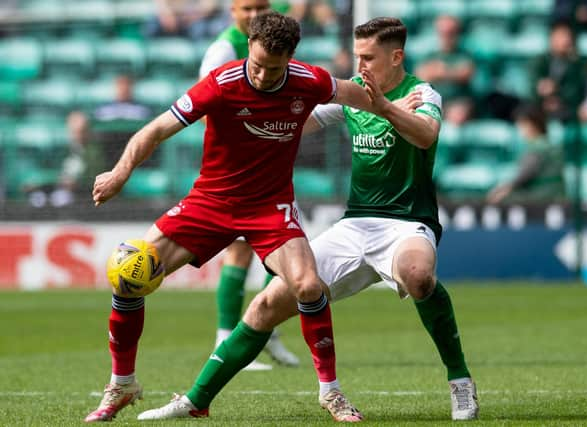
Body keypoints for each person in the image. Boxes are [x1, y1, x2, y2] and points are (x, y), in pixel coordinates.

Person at [138, 17, 479, 422]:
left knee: (418, 274)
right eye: (357, 57)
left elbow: (425, 135)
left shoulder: (423, 93)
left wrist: (385, 108)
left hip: (407, 222)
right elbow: (295, 122)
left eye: (368, 57)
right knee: (267, 304)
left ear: (396, 56)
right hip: (356, 224)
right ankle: (195, 400)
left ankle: (460, 381)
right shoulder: (353, 96)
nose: (361, 65)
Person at [84, 11, 387, 423]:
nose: (262, 76)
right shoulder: (222, 83)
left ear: (291, 59)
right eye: (257, 64)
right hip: (211, 202)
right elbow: (155, 129)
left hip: (270, 207)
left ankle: (330, 393)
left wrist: (394, 105)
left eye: (273, 68)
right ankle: (122, 384)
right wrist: (120, 172)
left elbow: (360, 97)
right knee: (128, 274)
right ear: (249, 47)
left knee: (308, 286)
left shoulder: (310, 81)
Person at [199, 0, 299, 370]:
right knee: (241, 249)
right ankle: (227, 336)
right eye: (246, 7)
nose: (254, 14)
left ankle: (265, 328)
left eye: (261, 6)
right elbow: (208, 104)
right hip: (239, 166)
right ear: (233, 13)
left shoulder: (273, 44)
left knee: (283, 249)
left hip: (270, 159)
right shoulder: (223, 50)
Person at [487, 104, 564, 204]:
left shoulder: (537, 148)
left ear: (533, 124)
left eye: (522, 124)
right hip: (555, 196)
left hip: (542, 198)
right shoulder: (549, 144)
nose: (519, 129)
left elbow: (524, 176)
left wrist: (502, 190)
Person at [414, 15, 475, 126]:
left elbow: (466, 73)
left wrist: (440, 71)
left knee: (458, 115)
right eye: (443, 33)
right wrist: (452, 72)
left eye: (451, 33)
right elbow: (420, 76)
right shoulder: (430, 54)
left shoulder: (465, 53)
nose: (447, 36)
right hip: (433, 101)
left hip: (457, 101)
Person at [530, 21, 585, 122]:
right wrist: (540, 89)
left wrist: (557, 91)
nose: (566, 40)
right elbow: (531, 86)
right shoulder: (541, 60)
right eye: (561, 36)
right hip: (541, 105)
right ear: (552, 38)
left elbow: (577, 91)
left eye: (568, 36)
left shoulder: (576, 64)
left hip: (565, 107)